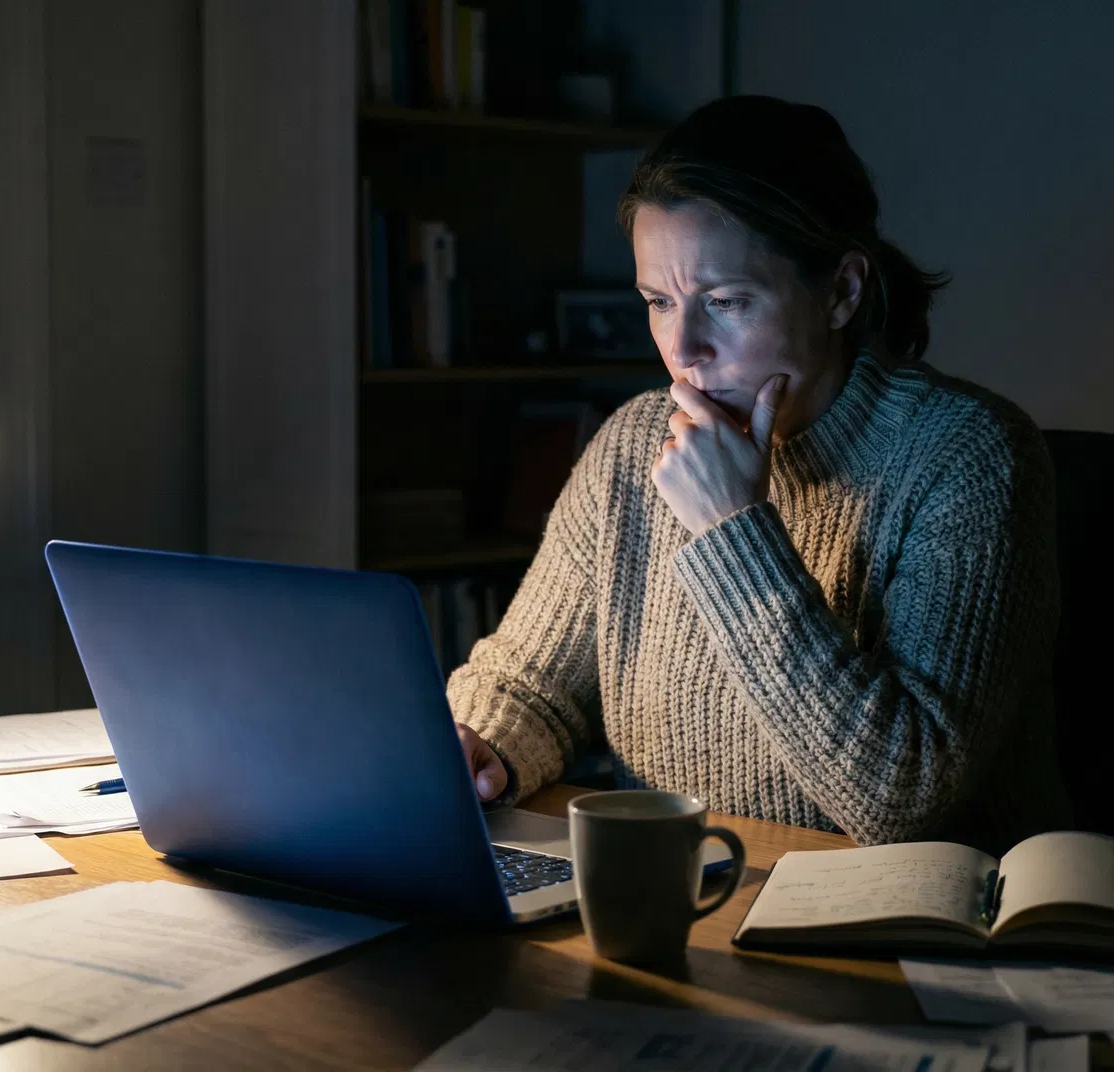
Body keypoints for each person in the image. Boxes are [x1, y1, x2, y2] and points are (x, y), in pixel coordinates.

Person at [449, 95, 1071, 854]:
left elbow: (898, 798)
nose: (683, 347)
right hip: (685, 897)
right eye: (658, 301)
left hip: (917, 934)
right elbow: (530, 685)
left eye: (727, 301)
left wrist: (732, 529)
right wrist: (486, 743)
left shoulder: (969, 456)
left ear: (841, 291)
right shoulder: (634, 446)